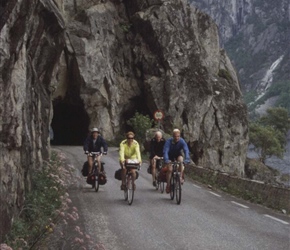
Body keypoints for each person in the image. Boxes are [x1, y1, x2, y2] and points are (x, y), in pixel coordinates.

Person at [163, 129, 190, 193]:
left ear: (179, 136)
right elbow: (165, 151)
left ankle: (180, 177)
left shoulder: (182, 141)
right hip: (170, 156)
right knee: (170, 169)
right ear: (173, 136)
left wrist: (187, 159)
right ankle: (168, 185)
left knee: (181, 160)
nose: (176, 138)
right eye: (175, 136)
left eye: (178, 136)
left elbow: (186, 150)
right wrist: (166, 159)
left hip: (177, 154)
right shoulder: (169, 141)